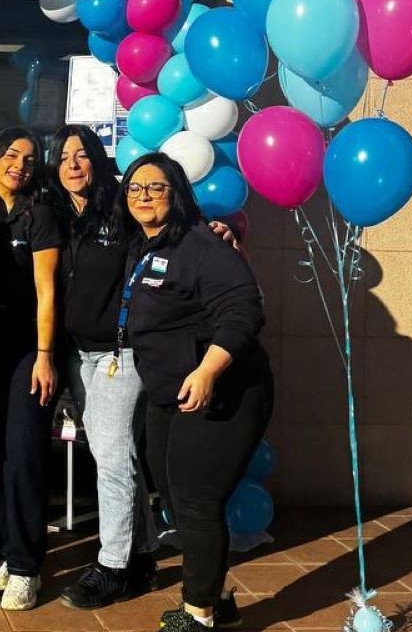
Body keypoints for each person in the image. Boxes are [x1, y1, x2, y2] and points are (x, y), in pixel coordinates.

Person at [114, 153, 272, 632]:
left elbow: (244, 308)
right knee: (170, 488)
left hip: (223, 389)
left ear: (176, 194)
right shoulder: (142, 245)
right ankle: (217, 593)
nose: (143, 196)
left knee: (197, 499)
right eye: (135, 188)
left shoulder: (202, 244)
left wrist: (207, 370)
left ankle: (199, 614)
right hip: (171, 393)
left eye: (156, 188)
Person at [45, 124, 158, 610]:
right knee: (116, 456)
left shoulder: (120, 209)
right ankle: (147, 554)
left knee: (111, 459)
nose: (73, 164)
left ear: (97, 159)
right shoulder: (49, 213)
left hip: (118, 354)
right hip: (74, 355)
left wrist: (226, 228)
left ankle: (112, 567)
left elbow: (169, 226)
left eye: (82, 154)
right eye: (64, 156)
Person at [0, 127, 61, 611]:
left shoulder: (38, 214)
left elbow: (47, 290)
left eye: (30, 159)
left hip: (27, 352)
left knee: (24, 455)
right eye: (12, 155)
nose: (19, 165)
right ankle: (4, 550)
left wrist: (45, 356)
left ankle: (26, 567)